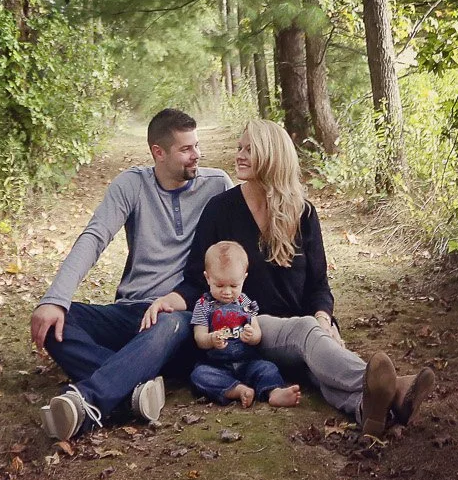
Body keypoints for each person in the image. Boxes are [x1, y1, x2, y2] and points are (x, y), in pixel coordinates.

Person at [165, 118, 435, 436]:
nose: (239, 155)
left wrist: (323, 317)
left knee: (316, 347)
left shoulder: (303, 213)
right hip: (250, 329)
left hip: (302, 336)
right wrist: (171, 299)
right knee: (307, 330)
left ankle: (370, 410)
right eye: (239, 147)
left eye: (250, 149)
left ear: (273, 155)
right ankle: (390, 385)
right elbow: (199, 276)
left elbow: (319, 284)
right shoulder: (220, 210)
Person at [30, 108, 233, 440]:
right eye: (186, 149)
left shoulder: (216, 185)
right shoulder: (131, 185)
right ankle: (136, 390)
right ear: (158, 152)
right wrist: (55, 298)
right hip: (132, 313)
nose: (197, 155)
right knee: (56, 321)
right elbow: (93, 238)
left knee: (170, 321)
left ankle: (90, 402)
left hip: (181, 317)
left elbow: (235, 254)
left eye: (197, 146)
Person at [189, 239, 301, 408]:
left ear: (244, 278)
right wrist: (211, 339)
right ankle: (236, 390)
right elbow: (199, 337)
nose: (227, 292)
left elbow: (257, 333)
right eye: (219, 285)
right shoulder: (203, 305)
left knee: (267, 368)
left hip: (247, 361)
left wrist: (252, 335)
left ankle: (274, 392)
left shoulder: (245, 302)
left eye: (234, 285)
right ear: (207, 278)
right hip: (217, 365)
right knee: (199, 375)